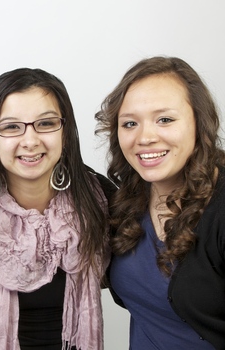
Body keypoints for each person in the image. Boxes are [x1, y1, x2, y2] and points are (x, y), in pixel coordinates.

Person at [0, 68, 112, 350]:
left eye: (46, 123)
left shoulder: (100, 198)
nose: (30, 140)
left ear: (66, 130)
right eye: (12, 126)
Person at [96, 56, 225, 349]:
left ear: (199, 122)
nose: (145, 137)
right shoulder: (123, 201)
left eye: (164, 119)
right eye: (130, 123)